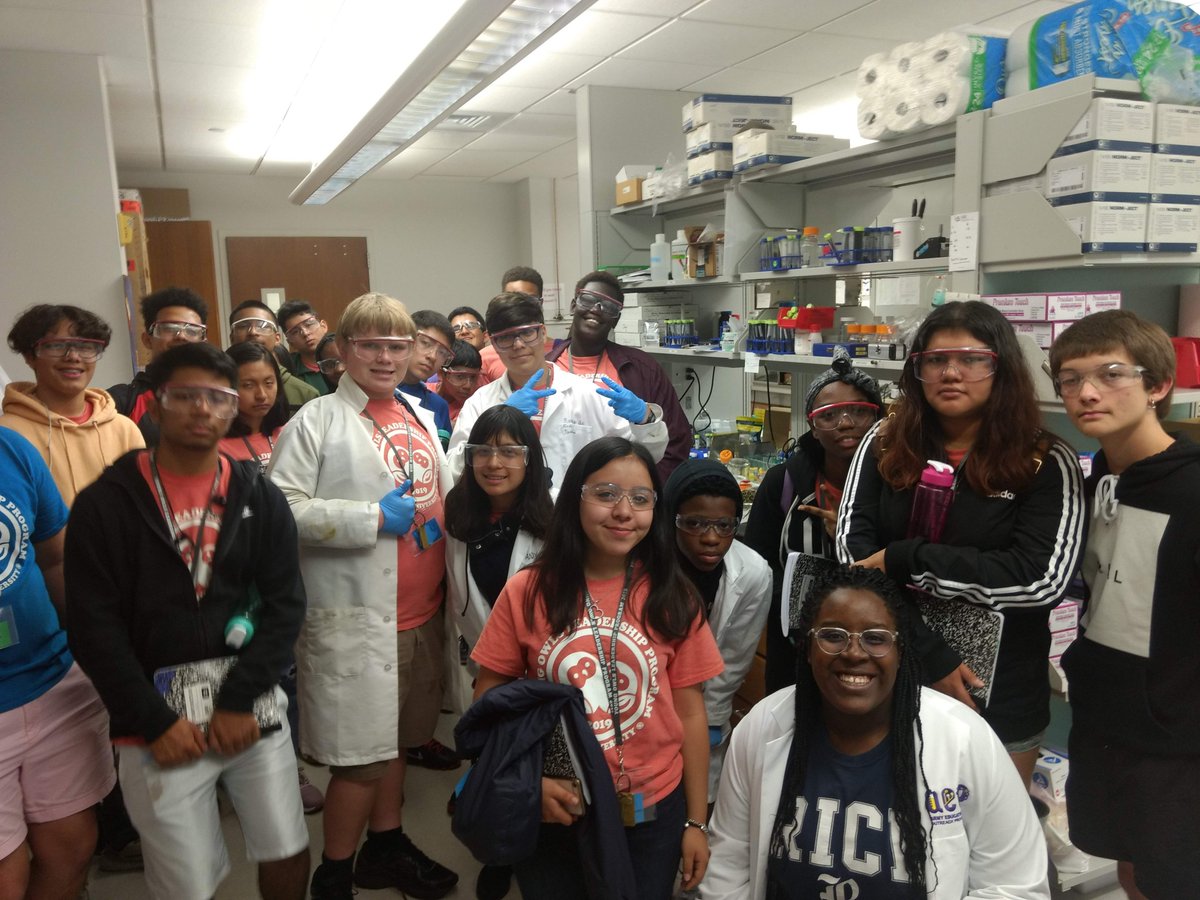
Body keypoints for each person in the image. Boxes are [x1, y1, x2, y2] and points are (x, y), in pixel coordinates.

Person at [65, 342, 310, 900]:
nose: (204, 409)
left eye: (218, 397)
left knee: (287, 846)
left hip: (247, 708)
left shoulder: (258, 495)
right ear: (155, 404)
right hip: (155, 723)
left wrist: (238, 698)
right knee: (186, 880)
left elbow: (285, 603)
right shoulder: (106, 505)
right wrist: (152, 721)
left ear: (233, 407)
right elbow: (93, 628)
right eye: (187, 396)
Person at [836, 301, 1085, 789]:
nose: (952, 372)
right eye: (935, 359)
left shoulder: (1045, 460)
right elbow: (854, 565)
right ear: (918, 370)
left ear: (1001, 368)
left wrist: (906, 558)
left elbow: (1039, 581)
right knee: (891, 829)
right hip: (889, 667)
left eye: (972, 359)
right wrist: (929, 653)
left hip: (999, 688)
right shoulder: (883, 443)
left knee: (991, 843)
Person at [471, 436, 724, 900]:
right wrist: (529, 782)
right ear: (575, 499)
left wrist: (695, 821)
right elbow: (490, 695)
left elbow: (690, 714)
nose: (624, 511)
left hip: (654, 808)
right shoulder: (529, 590)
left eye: (641, 498)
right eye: (605, 494)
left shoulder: (674, 596)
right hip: (558, 803)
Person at [268, 293, 459, 900]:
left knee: (397, 741)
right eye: (370, 344)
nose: (385, 356)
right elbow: (280, 511)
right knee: (362, 761)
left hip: (422, 614)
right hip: (358, 616)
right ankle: (334, 875)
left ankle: (387, 845)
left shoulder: (415, 412)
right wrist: (368, 519)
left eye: (397, 345)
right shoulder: (317, 420)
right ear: (342, 352)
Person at [704, 565, 1050, 899]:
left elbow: (1016, 886)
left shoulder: (966, 739)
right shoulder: (762, 726)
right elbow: (727, 865)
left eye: (876, 638)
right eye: (833, 636)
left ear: (901, 651)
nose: (854, 653)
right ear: (808, 649)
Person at [1048, 310, 1199, 900]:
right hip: (1110, 723)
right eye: (1069, 378)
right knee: (1133, 870)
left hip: (1180, 744)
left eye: (1111, 374)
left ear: (1157, 385)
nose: (1087, 392)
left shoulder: (1191, 493)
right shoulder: (1094, 484)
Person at [443, 404, 554, 900]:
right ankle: (494, 852)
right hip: (475, 659)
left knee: (534, 764)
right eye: (482, 450)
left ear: (530, 459)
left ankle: (530, 849)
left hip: (533, 672)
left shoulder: (552, 524)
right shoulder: (458, 515)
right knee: (486, 758)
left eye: (510, 450)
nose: (494, 462)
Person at [0, 427, 115, 900]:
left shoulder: (11, 449)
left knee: (71, 846)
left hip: (51, 680)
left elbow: (53, 558)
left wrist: (95, 649)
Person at [744, 351, 883, 694]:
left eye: (859, 412)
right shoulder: (784, 482)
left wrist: (849, 539)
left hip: (872, 642)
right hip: (795, 643)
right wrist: (799, 616)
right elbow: (757, 564)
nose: (846, 423)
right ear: (812, 427)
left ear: (878, 420)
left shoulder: (897, 486)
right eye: (829, 416)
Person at [449, 292, 669, 495]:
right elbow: (455, 471)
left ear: (543, 333)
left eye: (527, 332)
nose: (518, 345)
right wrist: (499, 423)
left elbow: (646, 455)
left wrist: (645, 419)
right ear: (493, 344)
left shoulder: (588, 395)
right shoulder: (480, 403)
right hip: (507, 523)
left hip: (572, 522)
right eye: (506, 338)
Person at [663, 459, 771, 804]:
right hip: (647, 702)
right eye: (694, 523)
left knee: (699, 803)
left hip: (706, 704)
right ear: (672, 520)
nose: (711, 538)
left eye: (725, 526)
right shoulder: (647, 564)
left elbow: (734, 659)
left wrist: (710, 718)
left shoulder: (753, 573)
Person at [547, 271, 692, 480]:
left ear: (616, 319)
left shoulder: (643, 369)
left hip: (621, 494)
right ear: (573, 305)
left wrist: (642, 490)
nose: (596, 310)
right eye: (588, 300)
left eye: (609, 307)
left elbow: (676, 443)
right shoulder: (546, 369)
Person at [2, 303, 145, 505]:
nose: (73, 357)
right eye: (57, 345)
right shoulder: (8, 434)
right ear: (29, 356)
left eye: (86, 346)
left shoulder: (124, 430)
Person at [109, 286, 209, 446]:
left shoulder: (220, 397)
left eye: (191, 330)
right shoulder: (119, 402)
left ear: (202, 341)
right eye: (169, 328)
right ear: (147, 340)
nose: (181, 336)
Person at [228, 301, 319, 415]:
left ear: (277, 338)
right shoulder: (220, 385)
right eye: (243, 326)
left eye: (263, 326)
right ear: (231, 338)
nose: (253, 332)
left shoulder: (306, 394)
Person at [219, 341, 290, 473]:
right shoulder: (217, 447)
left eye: (269, 383)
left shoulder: (290, 434)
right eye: (248, 385)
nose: (261, 395)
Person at [397, 310, 454, 449]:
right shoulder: (378, 391)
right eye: (426, 343)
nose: (433, 356)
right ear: (406, 339)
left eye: (442, 352)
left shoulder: (439, 406)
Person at [277, 300, 330, 396]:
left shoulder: (345, 358)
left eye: (309, 325)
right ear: (289, 342)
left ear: (324, 326)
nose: (305, 333)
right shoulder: (287, 369)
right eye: (295, 332)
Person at [432, 339, 482, 426]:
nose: (468, 385)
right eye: (460, 376)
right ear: (441, 374)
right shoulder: (420, 392)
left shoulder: (473, 410)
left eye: (473, 377)